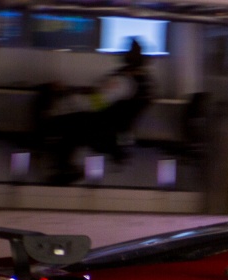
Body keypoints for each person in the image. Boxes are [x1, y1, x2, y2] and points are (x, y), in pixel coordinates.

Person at [42, 39, 154, 184]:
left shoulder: (123, 80)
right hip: (120, 133)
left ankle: (65, 169)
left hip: (106, 130)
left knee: (65, 121)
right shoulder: (145, 81)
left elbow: (95, 103)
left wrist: (68, 98)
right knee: (75, 120)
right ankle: (64, 167)